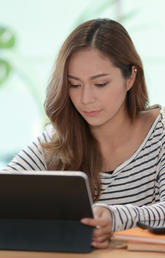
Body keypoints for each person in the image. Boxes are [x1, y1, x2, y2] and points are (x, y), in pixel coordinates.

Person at [3, 18, 165, 249]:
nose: (86, 99)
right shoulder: (59, 138)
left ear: (131, 77)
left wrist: (113, 217)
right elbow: (6, 191)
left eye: (100, 84)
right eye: (74, 84)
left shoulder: (161, 134)